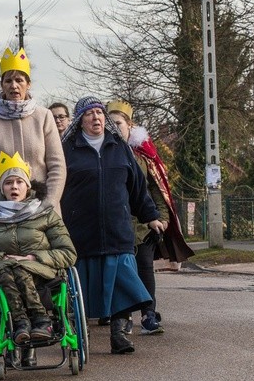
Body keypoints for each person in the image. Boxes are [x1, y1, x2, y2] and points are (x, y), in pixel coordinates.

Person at [60, 96, 163, 354]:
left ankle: (119, 335)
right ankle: (81, 335)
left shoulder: (119, 147)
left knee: (122, 285)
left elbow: (138, 188)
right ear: (79, 121)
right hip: (82, 231)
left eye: (99, 113)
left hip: (117, 229)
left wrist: (151, 215)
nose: (95, 118)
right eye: (88, 114)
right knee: (84, 286)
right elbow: (56, 187)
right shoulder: (67, 150)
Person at [0, 152, 76, 343]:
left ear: (28, 186)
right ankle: (25, 322)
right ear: (2, 188)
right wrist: (1, 257)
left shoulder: (45, 214)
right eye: (8, 183)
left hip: (41, 273)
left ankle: (35, 321)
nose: (14, 186)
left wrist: (33, 258)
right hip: (3, 270)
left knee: (19, 269)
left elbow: (68, 253)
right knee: (9, 269)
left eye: (19, 182)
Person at [106, 99, 194, 335]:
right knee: (120, 272)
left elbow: (156, 189)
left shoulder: (143, 156)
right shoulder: (103, 154)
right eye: (110, 124)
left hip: (143, 224)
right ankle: (121, 318)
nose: (114, 128)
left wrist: (162, 217)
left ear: (129, 126)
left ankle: (148, 314)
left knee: (145, 268)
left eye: (118, 123)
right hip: (115, 225)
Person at [0, 48, 66, 216]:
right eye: (8, 80)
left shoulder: (44, 116)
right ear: (2, 85)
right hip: (1, 210)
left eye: (19, 80)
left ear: (28, 84)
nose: (14, 85)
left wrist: (48, 204)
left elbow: (57, 167)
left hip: (41, 209)